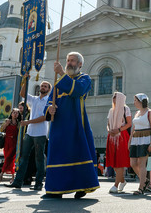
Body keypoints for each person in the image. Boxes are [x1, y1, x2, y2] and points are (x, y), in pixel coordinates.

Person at [42, 52, 99, 199]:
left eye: (72, 61)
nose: (69, 63)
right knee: (57, 155)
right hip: (58, 126)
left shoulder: (84, 78)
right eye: (68, 60)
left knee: (77, 154)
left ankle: (82, 186)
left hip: (75, 124)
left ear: (80, 64)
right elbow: (50, 100)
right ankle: (55, 189)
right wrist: (49, 108)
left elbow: (77, 91)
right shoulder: (58, 83)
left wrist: (61, 73)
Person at [5, 79, 51, 191]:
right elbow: (22, 94)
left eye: (45, 86)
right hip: (30, 133)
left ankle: (38, 184)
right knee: (23, 158)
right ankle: (17, 182)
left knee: (39, 159)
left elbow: (45, 117)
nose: (43, 87)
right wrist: (26, 80)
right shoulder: (34, 99)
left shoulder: (49, 101)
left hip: (41, 133)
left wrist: (28, 122)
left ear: (49, 90)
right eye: (42, 86)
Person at [129, 93, 151, 195]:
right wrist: (130, 141)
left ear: (141, 101)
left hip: (145, 139)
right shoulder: (137, 113)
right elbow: (133, 128)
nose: (134, 102)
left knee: (142, 164)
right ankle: (145, 180)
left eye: (135, 100)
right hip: (136, 139)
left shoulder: (150, 113)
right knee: (132, 163)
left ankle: (141, 188)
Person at [106, 92, 132, 194]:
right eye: (113, 97)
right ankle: (122, 181)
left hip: (121, 136)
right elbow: (108, 124)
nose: (114, 99)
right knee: (113, 162)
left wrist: (119, 130)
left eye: (116, 98)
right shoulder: (111, 110)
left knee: (120, 161)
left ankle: (116, 185)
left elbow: (129, 123)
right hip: (111, 136)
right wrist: (109, 130)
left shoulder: (126, 109)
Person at [0, 108, 20, 184]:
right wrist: (6, 124)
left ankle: (0, 175)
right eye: (14, 112)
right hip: (7, 143)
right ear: (11, 113)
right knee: (8, 159)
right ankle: (13, 178)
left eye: (17, 113)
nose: (15, 114)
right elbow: (1, 129)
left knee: (9, 158)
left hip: (14, 143)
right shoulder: (7, 121)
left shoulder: (19, 123)